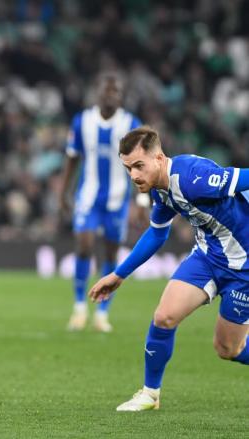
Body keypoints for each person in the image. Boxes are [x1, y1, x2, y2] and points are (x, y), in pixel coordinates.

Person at [89, 126, 249, 411]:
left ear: (159, 158)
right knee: (164, 316)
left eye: (139, 166)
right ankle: (150, 394)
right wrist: (118, 275)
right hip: (209, 256)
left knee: (228, 349)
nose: (134, 175)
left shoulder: (193, 178)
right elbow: (157, 234)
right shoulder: (161, 191)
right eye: (128, 169)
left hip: (244, 268)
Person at [59, 72, 142, 332]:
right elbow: (72, 158)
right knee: (84, 245)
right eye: (107, 90)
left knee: (111, 253)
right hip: (88, 197)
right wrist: (64, 192)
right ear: (98, 92)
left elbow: (141, 164)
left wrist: (141, 199)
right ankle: (80, 307)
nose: (111, 95)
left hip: (117, 199)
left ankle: (102, 313)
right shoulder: (82, 121)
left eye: (116, 91)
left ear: (121, 95)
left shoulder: (131, 123)